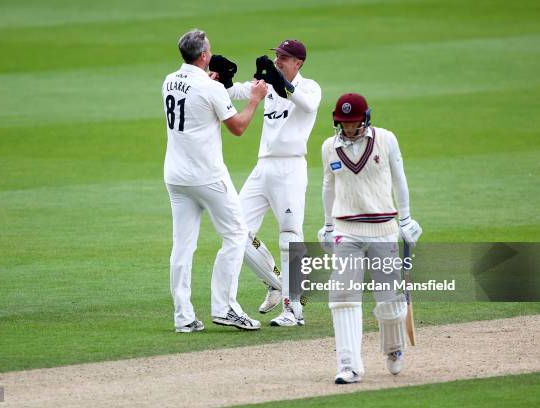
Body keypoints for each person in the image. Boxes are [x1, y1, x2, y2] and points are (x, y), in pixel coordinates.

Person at [162, 29, 268, 333]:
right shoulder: (210, 89)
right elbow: (237, 128)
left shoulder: (169, 79)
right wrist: (255, 100)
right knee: (236, 234)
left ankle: (183, 318)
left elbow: (195, 96)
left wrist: (215, 87)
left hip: (175, 176)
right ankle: (225, 308)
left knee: (182, 245)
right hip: (206, 176)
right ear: (205, 56)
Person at [213, 39, 321, 327]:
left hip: (291, 167)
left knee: (289, 236)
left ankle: (294, 309)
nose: (278, 61)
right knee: (237, 230)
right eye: (277, 56)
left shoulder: (310, 87)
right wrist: (223, 80)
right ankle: (276, 282)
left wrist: (282, 84)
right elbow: (236, 93)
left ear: (298, 63)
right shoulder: (269, 84)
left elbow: (308, 105)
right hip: (263, 168)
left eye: (284, 57)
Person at [317, 92, 422, 383]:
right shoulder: (329, 146)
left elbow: (400, 179)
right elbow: (328, 186)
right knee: (342, 296)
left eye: (353, 123)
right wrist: (327, 225)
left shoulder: (386, 139)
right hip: (346, 231)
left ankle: (394, 348)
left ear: (365, 119)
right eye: (344, 123)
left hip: (383, 229)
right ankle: (348, 365)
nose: (349, 129)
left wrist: (407, 218)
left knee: (389, 301)